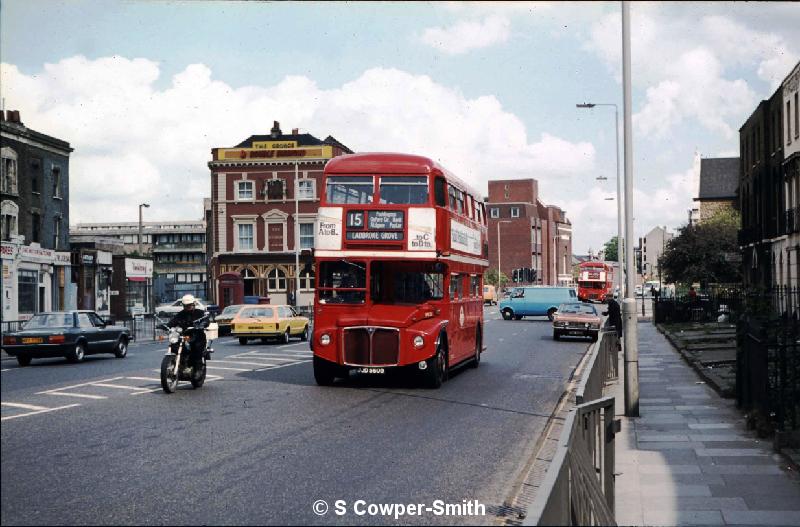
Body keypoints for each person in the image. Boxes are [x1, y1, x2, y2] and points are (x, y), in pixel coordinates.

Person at [167, 294, 208, 375]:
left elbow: (206, 320)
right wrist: (166, 326)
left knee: (196, 348)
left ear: (193, 304)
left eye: (189, 305)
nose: (187, 307)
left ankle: (197, 369)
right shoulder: (181, 314)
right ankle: (178, 364)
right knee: (174, 345)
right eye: (185, 306)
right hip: (184, 335)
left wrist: (202, 324)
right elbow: (173, 321)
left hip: (197, 335)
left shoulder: (199, 313)